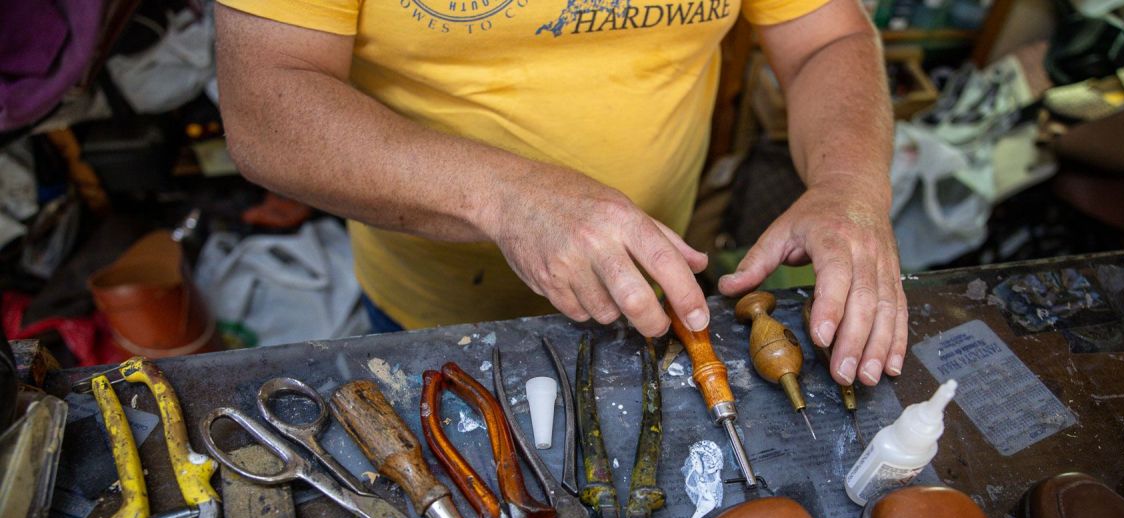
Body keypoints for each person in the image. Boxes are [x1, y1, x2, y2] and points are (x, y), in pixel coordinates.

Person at [214, 0, 907, 387]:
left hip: (652, 287)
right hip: (436, 304)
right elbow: (265, 105)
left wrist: (849, 182)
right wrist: (508, 196)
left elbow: (827, 36)